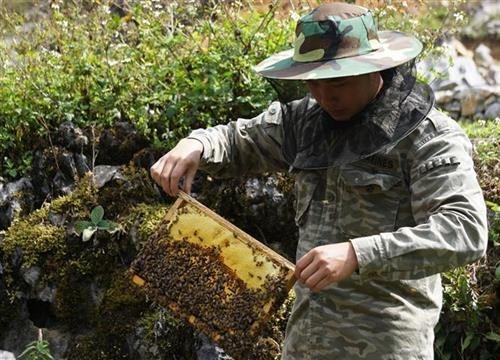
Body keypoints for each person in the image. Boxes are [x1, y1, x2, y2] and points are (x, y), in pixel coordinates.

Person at [150, 2, 488, 359]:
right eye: (313, 82)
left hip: (385, 346)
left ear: (376, 68)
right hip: (305, 344)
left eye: (338, 81)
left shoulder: (428, 137)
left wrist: (358, 253)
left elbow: (463, 230)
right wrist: (196, 144)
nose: (325, 96)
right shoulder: (304, 123)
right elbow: (239, 140)